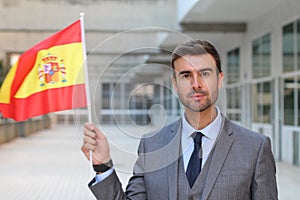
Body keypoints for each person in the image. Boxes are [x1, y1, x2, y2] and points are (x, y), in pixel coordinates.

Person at [81, 40, 278, 200]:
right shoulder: (152, 145)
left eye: (204, 74)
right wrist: (103, 165)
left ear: (219, 79)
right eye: (186, 75)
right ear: (175, 84)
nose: (196, 84)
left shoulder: (255, 148)